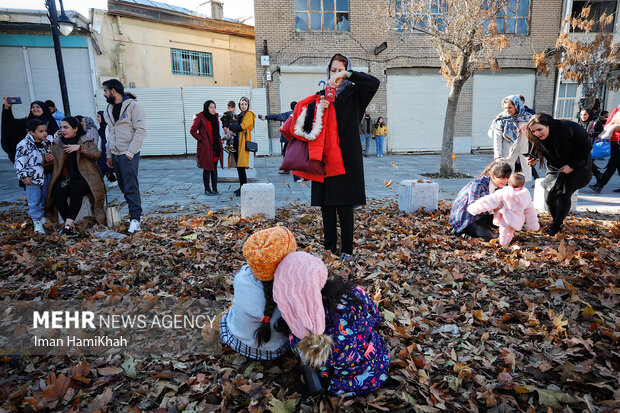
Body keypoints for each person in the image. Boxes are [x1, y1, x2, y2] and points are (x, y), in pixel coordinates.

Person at [273, 251, 389, 396]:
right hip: (374, 370)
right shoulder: (353, 295)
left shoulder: (296, 325)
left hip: (333, 384)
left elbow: (297, 350)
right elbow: (375, 316)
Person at [310, 53, 379, 260]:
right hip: (325, 157)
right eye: (333, 70)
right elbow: (309, 126)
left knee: (345, 205)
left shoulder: (356, 94)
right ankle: (329, 248)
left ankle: (347, 250)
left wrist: (349, 75)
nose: (336, 74)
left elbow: (374, 83)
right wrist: (318, 110)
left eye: (341, 70)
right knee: (327, 205)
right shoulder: (320, 95)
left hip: (347, 157)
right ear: (327, 72)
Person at [219, 226, 297, 360]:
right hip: (277, 349)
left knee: (231, 310)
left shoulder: (240, 277)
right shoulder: (293, 288)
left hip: (238, 343)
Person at [526, 113, 592, 235]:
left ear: (548, 125)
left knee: (563, 194)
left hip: (578, 165)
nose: (537, 134)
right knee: (549, 197)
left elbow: (586, 146)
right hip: (555, 167)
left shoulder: (570, 128)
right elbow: (536, 148)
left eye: (540, 129)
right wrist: (533, 158)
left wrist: (572, 166)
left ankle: (556, 225)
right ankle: (556, 221)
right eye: (534, 131)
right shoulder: (536, 136)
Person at [45, 116, 106, 237]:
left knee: (76, 190)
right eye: (61, 127)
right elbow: (50, 167)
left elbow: (97, 155)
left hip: (86, 177)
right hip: (65, 177)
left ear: (75, 129)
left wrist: (80, 148)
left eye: (66, 127)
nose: (62, 130)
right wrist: (48, 161)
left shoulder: (85, 140)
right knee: (57, 191)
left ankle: (67, 225)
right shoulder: (58, 143)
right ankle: (71, 227)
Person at [102, 79, 146, 233]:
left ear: (113, 91)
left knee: (130, 186)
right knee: (123, 186)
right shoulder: (108, 109)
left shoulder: (133, 106)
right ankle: (137, 214)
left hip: (128, 154)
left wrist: (130, 152)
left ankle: (135, 219)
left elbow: (140, 130)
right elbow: (110, 133)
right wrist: (109, 155)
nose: (104, 94)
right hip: (115, 154)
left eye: (106, 91)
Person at [466, 172, 539, 246]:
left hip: (505, 217)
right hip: (517, 219)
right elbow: (530, 210)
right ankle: (507, 244)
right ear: (523, 185)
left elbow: (489, 201)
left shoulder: (504, 192)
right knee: (510, 233)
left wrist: (474, 208)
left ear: (509, 183)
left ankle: (503, 244)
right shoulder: (526, 195)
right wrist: (533, 225)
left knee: (503, 232)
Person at [449, 161, 512, 241]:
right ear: (493, 176)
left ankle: (476, 230)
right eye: (502, 178)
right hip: (465, 218)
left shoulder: (499, 186)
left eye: (507, 178)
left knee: (504, 224)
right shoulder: (478, 185)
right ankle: (462, 232)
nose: (505, 181)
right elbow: (473, 208)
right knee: (492, 237)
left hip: (482, 215)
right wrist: (495, 208)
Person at [14, 119, 54, 234]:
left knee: (43, 198)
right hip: (33, 178)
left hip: (45, 175)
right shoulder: (24, 144)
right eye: (41, 131)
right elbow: (19, 161)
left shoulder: (45, 142)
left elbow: (52, 140)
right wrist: (24, 176)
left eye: (45, 131)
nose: (44, 133)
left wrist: (47, 160)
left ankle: (41, 218)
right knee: (34, 200)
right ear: (31, 132)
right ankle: (36, 221)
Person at [488, 95, 532, 181]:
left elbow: (536, 135)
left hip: (523, 153)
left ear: (517, 106)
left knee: (522, 180)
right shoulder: (501, 119)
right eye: (505, 108)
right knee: (506, 179)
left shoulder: (528, 118)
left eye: (510, 107)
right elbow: (497, 139)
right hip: (508, 154)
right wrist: (497, 156)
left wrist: (529, 129)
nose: (507, 110)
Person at [2, 99, 59, 163]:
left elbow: (56, 138)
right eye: (33, 107)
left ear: (44, 109)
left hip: (47, 157)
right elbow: (10, 124)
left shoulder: (50, 123)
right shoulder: (26, 122)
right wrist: (7, 108)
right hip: (30, 158)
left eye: (38, 107)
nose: (35, 109)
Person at [190, 100, 222, 195]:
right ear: (206, 108)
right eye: (211, 107)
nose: (213, 109)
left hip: (215, 147)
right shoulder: (200, 117)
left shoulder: (215, 116)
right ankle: (207, 190)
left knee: (214, 168)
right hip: (206, 147)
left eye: (214, 107)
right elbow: (192, 130)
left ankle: (215, 189)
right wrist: (202, 139)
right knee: (207, 168)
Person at [225, 97, 256, 196]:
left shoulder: (249, 114)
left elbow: (242, 126)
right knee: (239, 166)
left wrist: (231, 128)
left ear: (248, 105)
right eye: (242, 104)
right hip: (237, 142)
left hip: (243, 142)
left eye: (245, 104)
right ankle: (242, 186)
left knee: (242, 166)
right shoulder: (240, 115)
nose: (243, 106)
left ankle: (244, 187)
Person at [258, 101, 297, 175]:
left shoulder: (288, 114)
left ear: (291, 107)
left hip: (288, 138)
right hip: (297, 138)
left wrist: (265, 117)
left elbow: (276, 116)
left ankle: (286, 169)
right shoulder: (301, 114)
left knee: (286, 153)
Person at [589, 108, 620, 193]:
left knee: (612, 164)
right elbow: (608, 122)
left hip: (618, 140)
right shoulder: (616, 110)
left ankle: (600, 185)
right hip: (614, 140)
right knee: (617, 164)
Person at [96, 111, 117, 184]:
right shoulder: (101, 128)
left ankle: (113, 180)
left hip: (108, 149)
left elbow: (109, 139)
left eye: (99, 116)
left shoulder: (108, 127)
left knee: (107, 167)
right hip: (103, 150)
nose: (97, 118)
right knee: (101, 167)